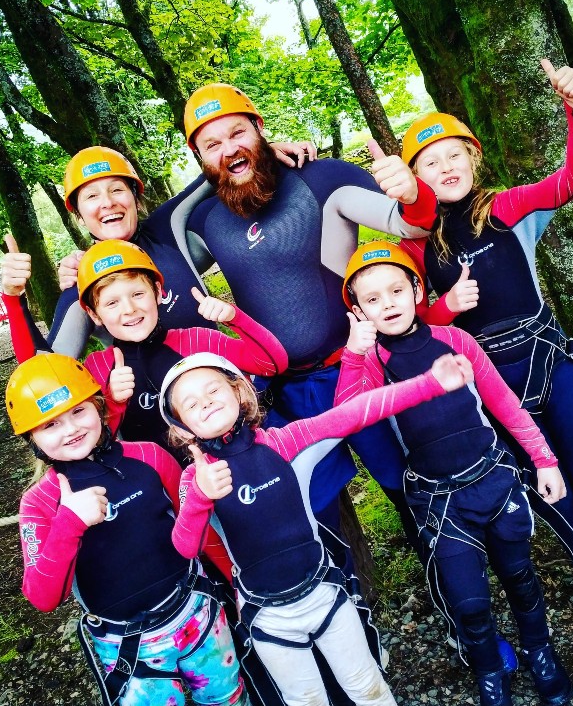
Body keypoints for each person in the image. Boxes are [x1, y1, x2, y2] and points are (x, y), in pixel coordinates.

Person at [398, 58, 573, 649]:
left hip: (548, 359)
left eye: (453, 154)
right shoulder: (415, 246)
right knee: (550, 488)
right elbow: (409, 316)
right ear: (416, 176)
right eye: (428, 161)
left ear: (474, 157)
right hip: (492, 386)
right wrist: (445, 309)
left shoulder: (507, 207)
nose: (444, 167)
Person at [166, 82, 439, 550]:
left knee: (408, 485)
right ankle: (350, 611)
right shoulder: (204, 221)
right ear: (198, 158)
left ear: (261, 128)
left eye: (239, 133)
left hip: (361, 367)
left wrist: (412, 190)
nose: (230, 149)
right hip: (286, 394)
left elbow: (412, 222)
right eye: (212, 144)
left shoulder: (321, 179)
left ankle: (454, 589)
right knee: (315, 507)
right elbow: (154, 237)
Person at [160, 351, 472, 706]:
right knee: (306, 701)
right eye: (191, 403)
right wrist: (201, 495)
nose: (206, 403)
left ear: (240, 392)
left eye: (213, 390)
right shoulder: (195, 478)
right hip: (267, 618)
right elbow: (185, 548)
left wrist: (430, 384)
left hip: (325, 596)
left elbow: (353, 412)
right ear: (183, 428)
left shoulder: (285, 441)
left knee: (368, 688)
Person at [338, 241, 572, 706]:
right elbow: (348, 415)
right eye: (373, 299)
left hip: (493, 479)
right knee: (469, 602)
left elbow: (504, 404)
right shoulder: (371, 364)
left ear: (416, 290)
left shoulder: (455, 341)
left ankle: (539, 649)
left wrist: (544, 459)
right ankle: (489, 671)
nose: (387, 304)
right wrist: (353, 354)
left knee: (519, 575)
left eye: (396, 290)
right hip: (440, 502)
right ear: (359, 310)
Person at [8, 353, 247, 706]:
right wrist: (69, 523)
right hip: (127, 647)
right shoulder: (40, 503)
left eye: (79, 411)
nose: (71, 429)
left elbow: (197, 527)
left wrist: (234, 583)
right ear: (32, 439)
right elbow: (43, 597)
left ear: (99, 407)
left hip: (195, 613)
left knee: (228, 698)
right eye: (50, 425)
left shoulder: (149, 456)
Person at [1, 139, 316, 359]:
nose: (108, 202)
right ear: (79, 216)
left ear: (136, 199)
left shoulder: (168, 229)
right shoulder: (82, 283)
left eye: (116, 190)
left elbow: (207, 180)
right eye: (92, 197)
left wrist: (260, 155)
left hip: (227, 397)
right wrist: (14, 299)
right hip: (159, 433)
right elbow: (46, 370)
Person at [4, 237, 287, 450]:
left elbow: (272, 364)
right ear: (94, 314)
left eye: (138, 294)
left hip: (231, 468)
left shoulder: (196, 340)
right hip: (168, 495)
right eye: (112, 302)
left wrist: (235, 318)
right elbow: (37, 374)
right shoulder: (95, 370)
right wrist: (13, 299)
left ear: (158, 292)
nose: (129, 309)